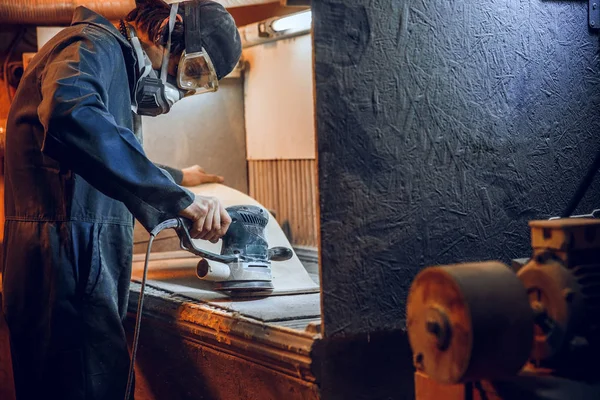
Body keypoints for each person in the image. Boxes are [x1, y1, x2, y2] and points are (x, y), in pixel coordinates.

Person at [1, 0, 241, 398]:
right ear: (165, 30)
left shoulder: (109, 64)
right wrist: (177, 198)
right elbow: (70, 115)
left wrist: (182, 181)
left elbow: (101, 156)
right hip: (67, 262)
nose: (181, 90)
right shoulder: (91, 45)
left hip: (74, 261)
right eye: (190, 71)